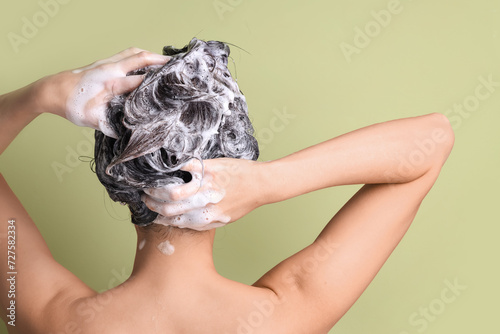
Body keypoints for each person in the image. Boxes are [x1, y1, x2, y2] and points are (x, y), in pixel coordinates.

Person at [0, 40, 454, 334]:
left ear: (116, 177)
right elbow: (433, 139)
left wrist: (43, 94)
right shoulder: (288, 315)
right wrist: (271, 182)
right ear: (236, 164)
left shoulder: (55, 318)